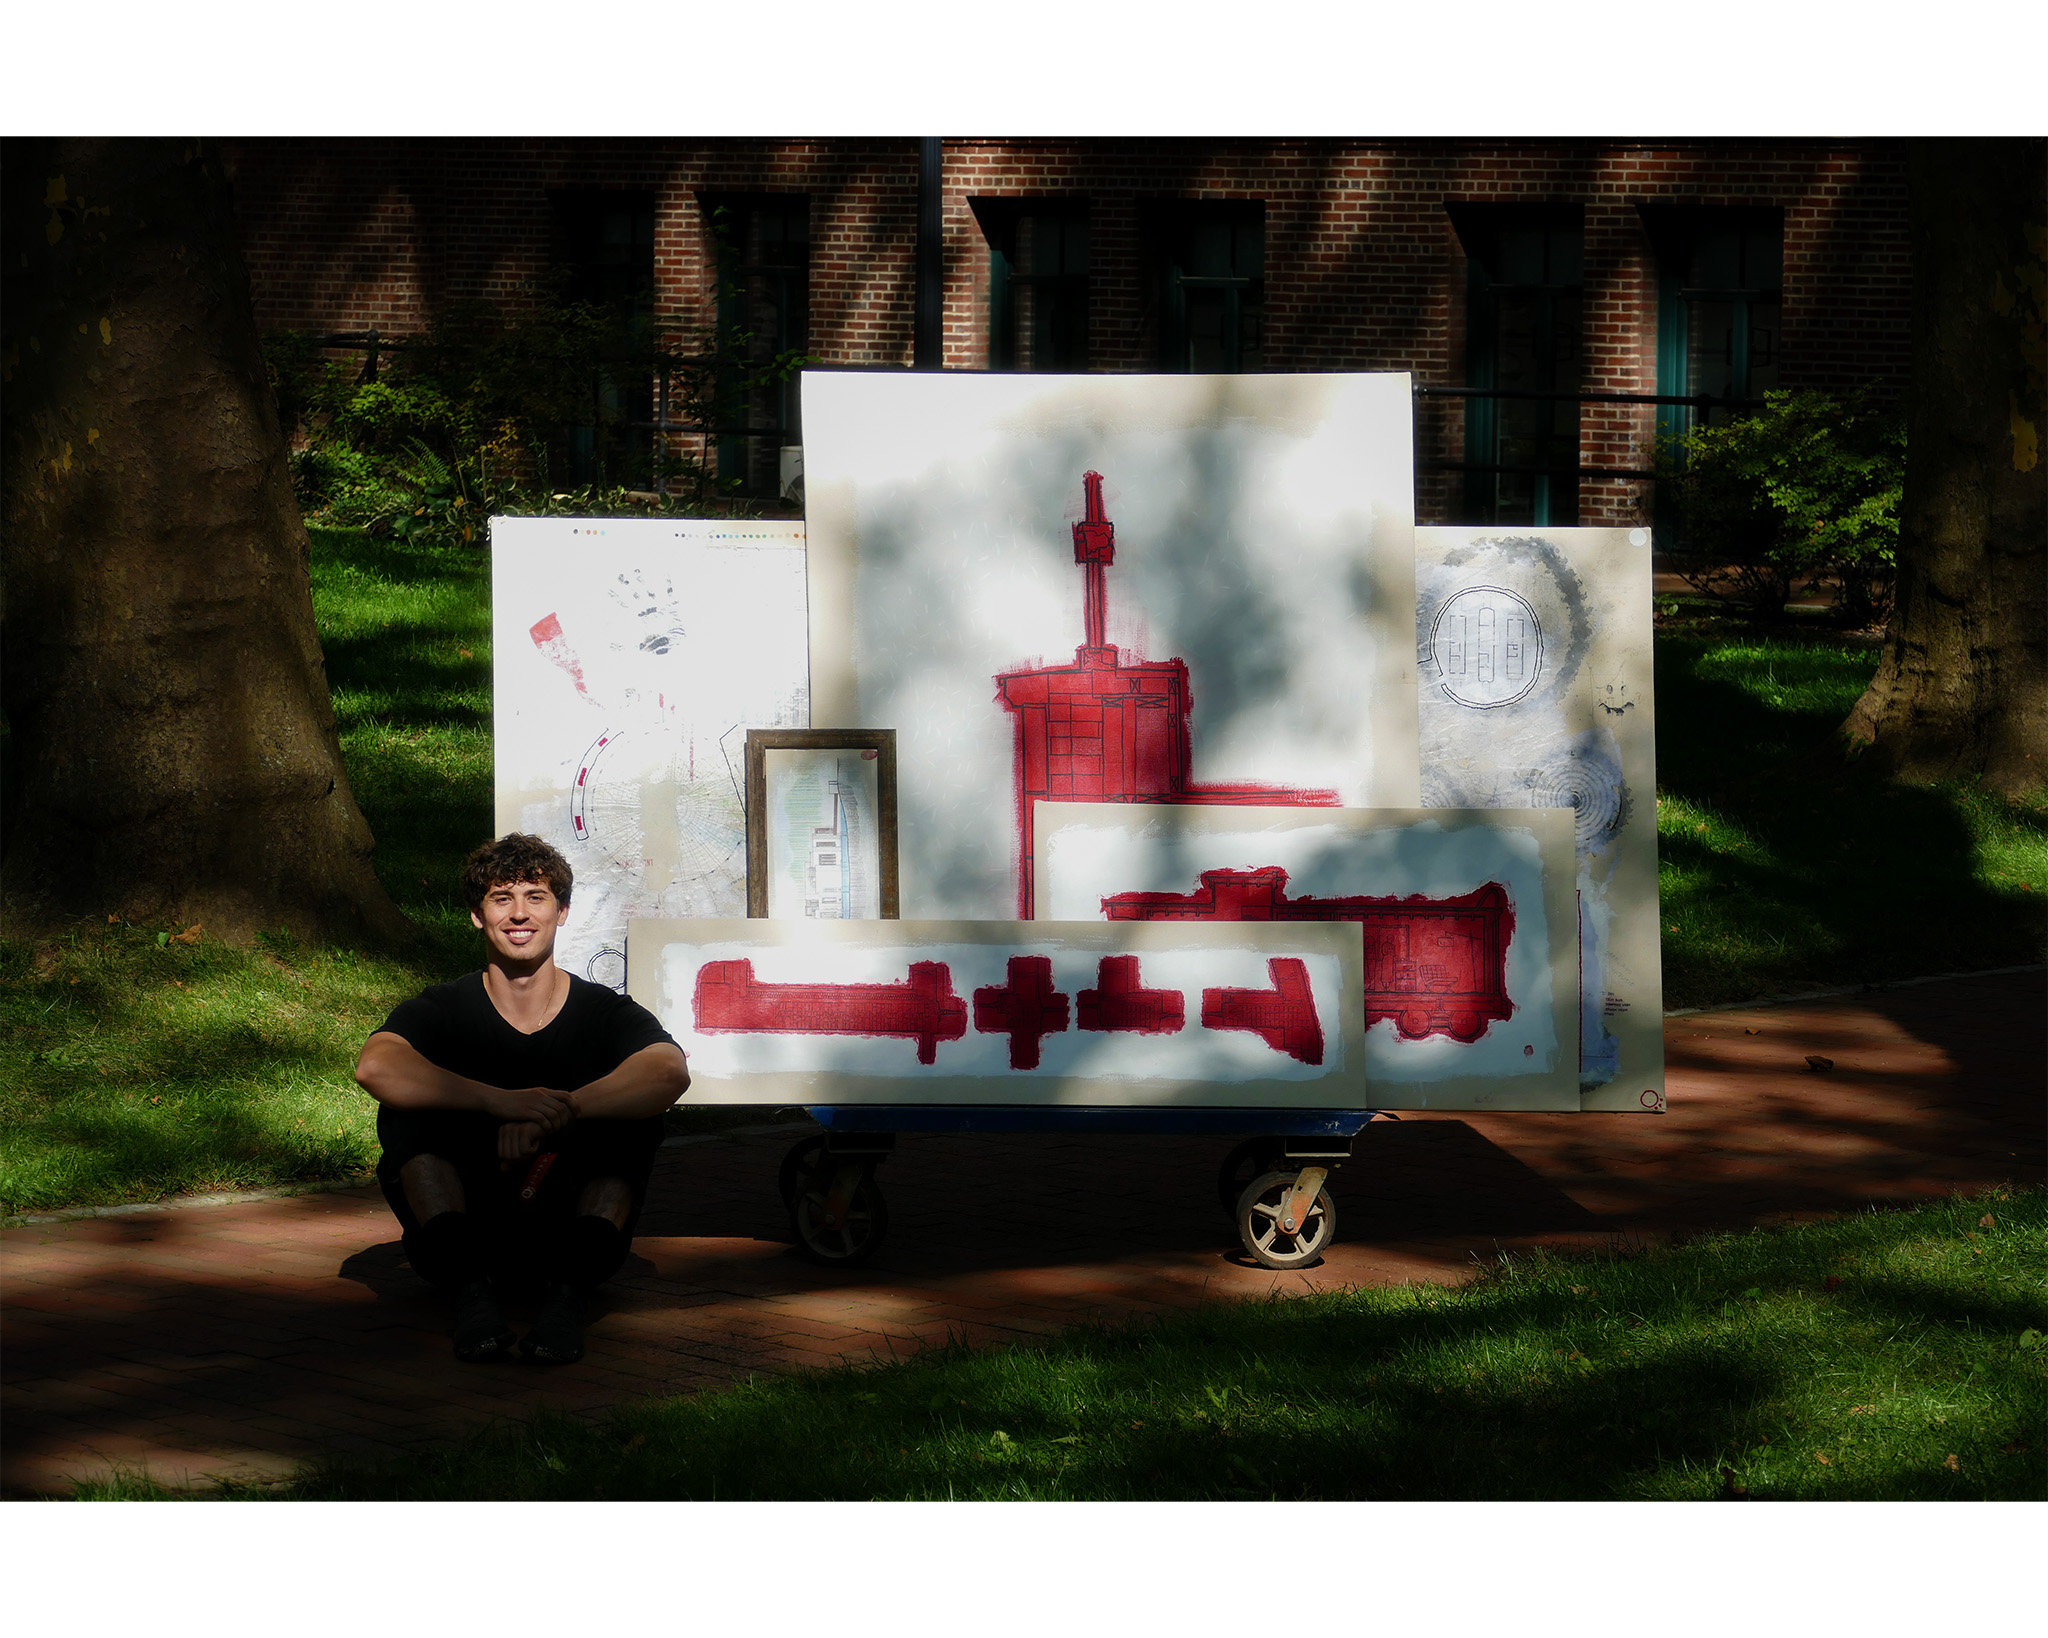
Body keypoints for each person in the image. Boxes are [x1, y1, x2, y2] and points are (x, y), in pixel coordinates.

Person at [354, 833, 690, 1363]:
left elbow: (668, 1072)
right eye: (501, 898)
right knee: (405, 1116)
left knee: (635, 1123)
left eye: (535, 897)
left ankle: (566, 1301)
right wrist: (499, 1102)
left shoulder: (601, 1011)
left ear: (562, 912)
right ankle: (472, 1297)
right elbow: (376, 1066)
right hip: (465, 1236)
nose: (519, 914)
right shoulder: (445, 1007)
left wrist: (560, 1112)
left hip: (569, 1236)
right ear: (476, 916)